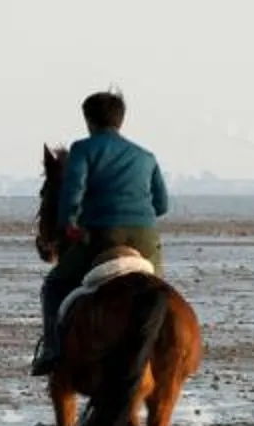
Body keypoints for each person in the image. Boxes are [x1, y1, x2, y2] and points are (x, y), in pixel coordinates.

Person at [34, 90, 169, 376]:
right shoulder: (146, 156)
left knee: (54, 285)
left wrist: (70, 221)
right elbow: (162, 204)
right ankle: (164, 350)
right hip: (146, 238)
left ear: (88, 120)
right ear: (121, 120)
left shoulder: (83, 149)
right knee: (159, 293)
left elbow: (73, 193)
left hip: (102, 235)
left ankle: (51, 351)